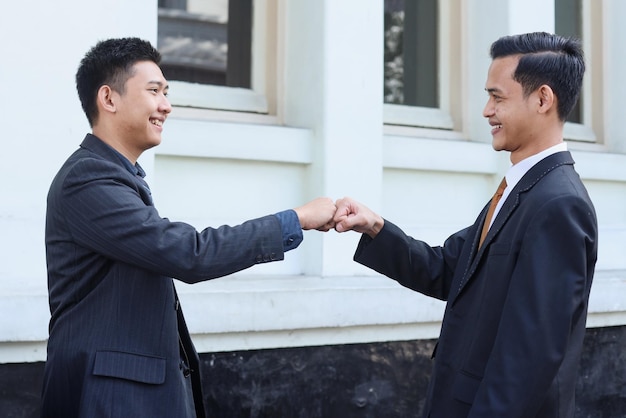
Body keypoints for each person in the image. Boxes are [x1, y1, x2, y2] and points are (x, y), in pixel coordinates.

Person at [42, 37, 336, 418]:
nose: (166, 105)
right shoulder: (89, 179)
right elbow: (188, 253)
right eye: (154, 91)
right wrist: (294, 221)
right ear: (109, 99)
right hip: (111, 401)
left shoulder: (114, 176)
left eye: (167, 92)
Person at [334, 32, 598, 417]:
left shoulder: (559, 204)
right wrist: (374, 227)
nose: (486, 111)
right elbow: (448, 270)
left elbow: (528, 359)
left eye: (497, 97)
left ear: (542, 99)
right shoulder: (521, 188)